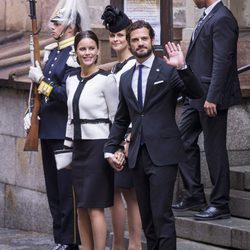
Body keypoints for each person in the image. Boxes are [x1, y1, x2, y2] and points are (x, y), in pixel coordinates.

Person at [104, 20, 203, 250]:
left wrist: (183, 68)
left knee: (161, 216)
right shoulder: (126, 78)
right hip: (138, 155)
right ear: (130, 43)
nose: (140, 43)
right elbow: (121, 119)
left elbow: (196, 93)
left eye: (144, 38)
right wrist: (110, 149)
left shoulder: (167, 70)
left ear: (152, 40)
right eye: (135, 39)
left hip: (164, 156)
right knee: (147, 219)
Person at [24, 1, 90, 249]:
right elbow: (42, 95)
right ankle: (59, 238)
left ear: (70, 27)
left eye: (57, 22)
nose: (52, 26)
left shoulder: (74, 54)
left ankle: (71, 240)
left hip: (64, 131)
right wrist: (30, 113)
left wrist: (41, 82)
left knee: (66, 190)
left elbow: (65, 95)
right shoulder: (53, 52)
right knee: (53, 189)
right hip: (48, 128)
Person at [171, 0, 242, 221]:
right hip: (196, 95)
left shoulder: (223, 18)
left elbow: (223, 60)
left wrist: (213, 96)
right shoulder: (207, 16)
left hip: (211, 97)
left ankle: (220, 204)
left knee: (214, 149)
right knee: (180, 140)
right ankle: (194, 195)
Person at [64, 30, 118, 250]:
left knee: (95, 206)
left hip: (99, 146)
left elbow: (117, 117)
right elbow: (70, 118)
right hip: (77, 148)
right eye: (82, 49)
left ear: (98, 51)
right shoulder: (70, 81)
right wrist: (67, 151)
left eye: (91, 48)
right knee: (80, 207)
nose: (87, 53)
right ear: (76, 52)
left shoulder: (107, 80)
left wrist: (115, 148)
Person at [101, 5, 142, 250]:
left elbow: (135, 109)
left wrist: (126, 142)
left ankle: (135, 245)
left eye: (120, 35)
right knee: (114, 193)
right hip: (111, 136)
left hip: (126, 137)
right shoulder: (117, 66)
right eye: (113, 35)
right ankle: (117, 244)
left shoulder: (132, 67)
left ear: (128, 38)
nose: (116, 39)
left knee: (130, 195)